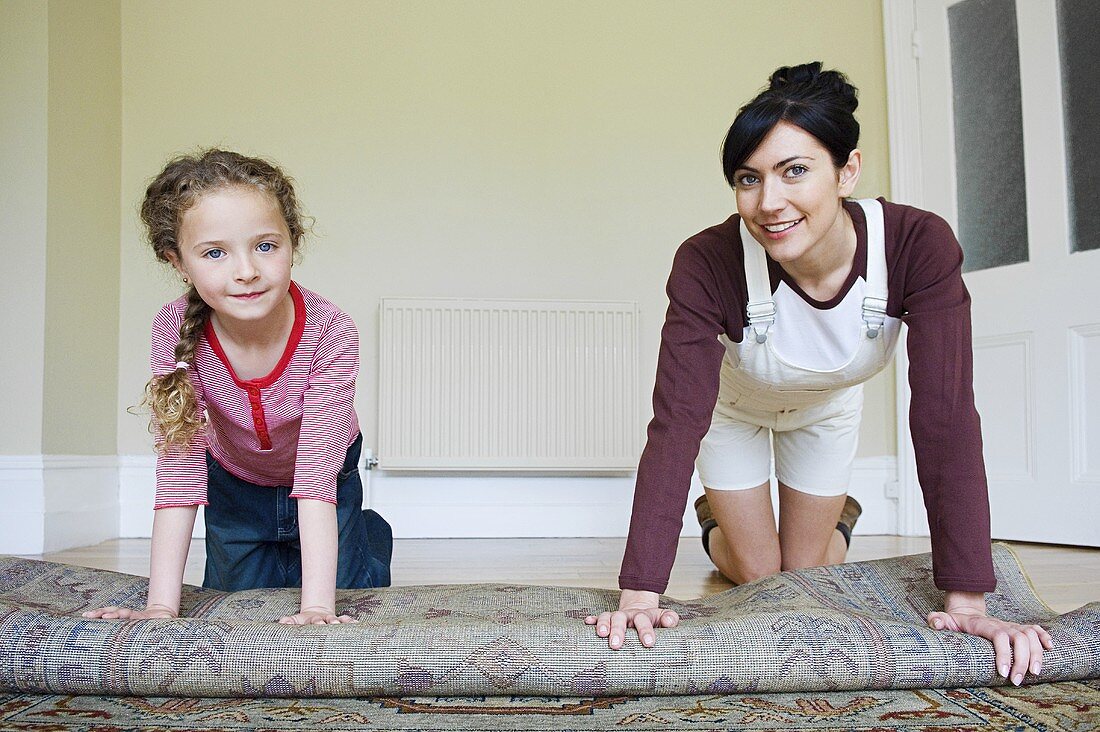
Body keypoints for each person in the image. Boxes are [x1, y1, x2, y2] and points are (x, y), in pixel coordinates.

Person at [585, 62, 1052, 685]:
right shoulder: (707, 260)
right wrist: (641, 592)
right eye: (748, 179)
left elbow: (945, 415)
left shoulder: (917, 245)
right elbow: (676, 423)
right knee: (759, 578)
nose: (768, 203)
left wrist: (967, 600)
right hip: (732, 413)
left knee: (805, 578)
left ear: (847, 170)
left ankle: (838, 513)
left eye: (795, 171)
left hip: (825, 409)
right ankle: (714, 516)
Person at [84, 149, 392, 625]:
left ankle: (367, 538)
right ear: (178, 261)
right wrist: (160, 605)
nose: (246, 270)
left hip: (326, 475)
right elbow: (180, 470)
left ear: (294, 241)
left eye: (266, 246)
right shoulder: (173, 329)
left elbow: (315, 474)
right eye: (215, 252)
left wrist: (316, 607)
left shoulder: (331, 329)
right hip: (235, 480)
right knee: (236, 608)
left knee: (347, 592)